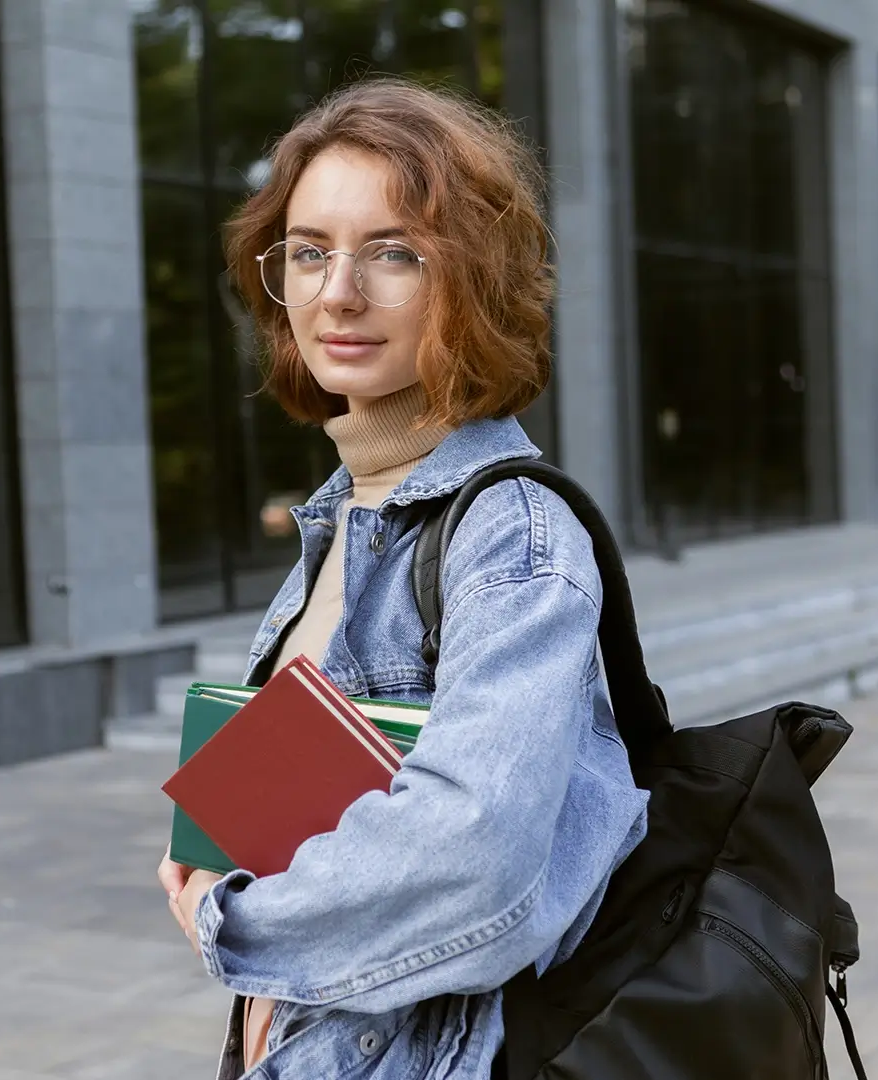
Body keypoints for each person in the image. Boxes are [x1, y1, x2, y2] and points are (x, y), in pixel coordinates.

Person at [156, 78, 651, 1080]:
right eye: (306, 251)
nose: (336, 292)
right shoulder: (349, 509)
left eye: (392, 251)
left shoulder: (505, 531)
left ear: (472, 278)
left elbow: (476, 861)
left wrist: (228, 915)